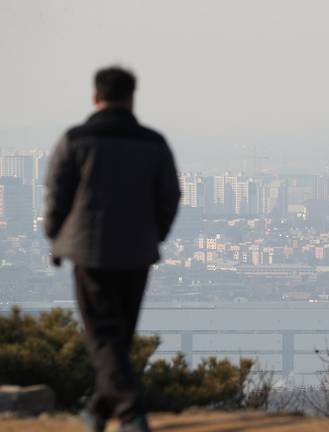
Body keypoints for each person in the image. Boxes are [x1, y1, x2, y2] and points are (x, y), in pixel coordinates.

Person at [44, 66, 181, 432]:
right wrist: (156, 234)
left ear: (95, 97)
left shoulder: (75, 140)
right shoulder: (154, 143)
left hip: (90, 252)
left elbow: (57, 194)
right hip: (137, 252)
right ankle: (99, 410)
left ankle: (130, 413)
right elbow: (170, 196)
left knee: (104, 335)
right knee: (118, 335)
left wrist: (55, 235)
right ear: (132, 98)